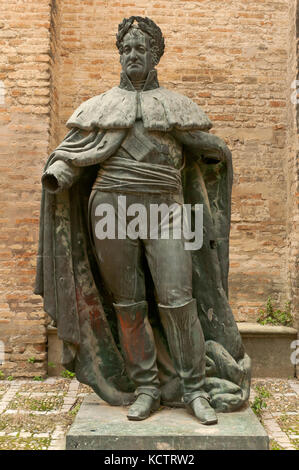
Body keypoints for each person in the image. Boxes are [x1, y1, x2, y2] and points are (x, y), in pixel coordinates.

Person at [36, 16, 251, 425]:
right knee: (129, 304)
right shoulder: (99, 108)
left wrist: (217, 154)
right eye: (127, 49)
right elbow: (76, 152)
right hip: (109, 210)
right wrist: (60, 170)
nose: (133, 56)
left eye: (141, 49)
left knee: (177, 298)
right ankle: (146, 387)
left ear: (155, 55)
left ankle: (194, 388)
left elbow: (201, 148)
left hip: (167, 211)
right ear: (120, 54)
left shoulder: (175, 106)